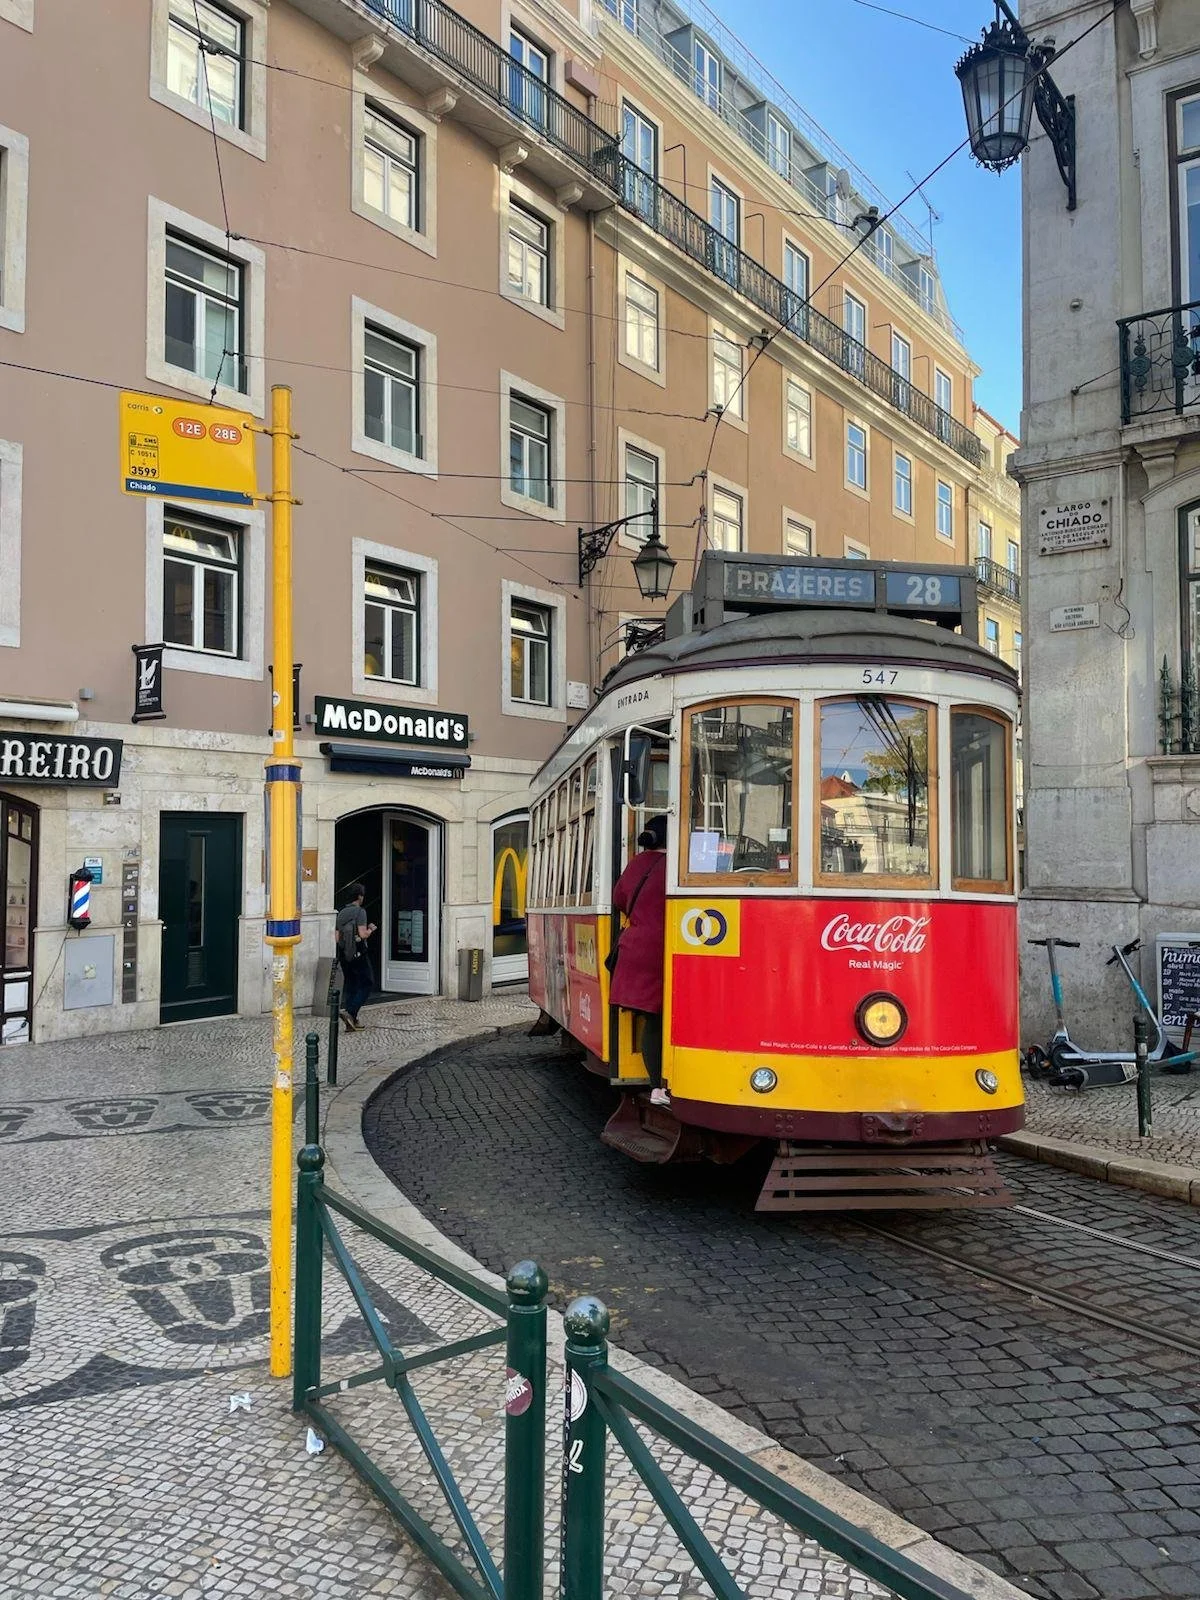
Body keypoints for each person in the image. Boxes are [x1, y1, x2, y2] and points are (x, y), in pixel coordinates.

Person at [610, 814, 669, 1106]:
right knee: (662, 1020)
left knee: (652, 1019)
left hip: (634, 949)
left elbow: (619, 899)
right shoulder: (674, 868)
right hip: (662, 949)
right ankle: (660, 1086)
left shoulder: (635, 864)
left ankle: (657, 1084)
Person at [335, 883, 376, 1032]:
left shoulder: (341, 912)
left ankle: (352, 1021)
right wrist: (371, 929)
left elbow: (337, 937)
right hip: (359, 953)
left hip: (344, 954)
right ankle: (350, 1012)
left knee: (351, 985)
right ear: (359, 896)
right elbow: (363, 933)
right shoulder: (360, 912)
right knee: (367, 983)